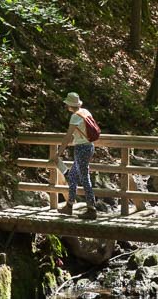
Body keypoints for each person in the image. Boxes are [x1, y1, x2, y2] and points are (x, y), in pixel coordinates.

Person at [52, 92, 97, 220]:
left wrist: (58, 154)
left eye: (67, 104)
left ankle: (91, 209)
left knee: (84, 178)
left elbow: (68, 137)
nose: (66, 106)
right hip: (88, 146)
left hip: (82, 148)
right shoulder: (86, 112)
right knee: (72, 176)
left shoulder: (75, 117)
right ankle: (69, 206)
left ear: (70, 105)